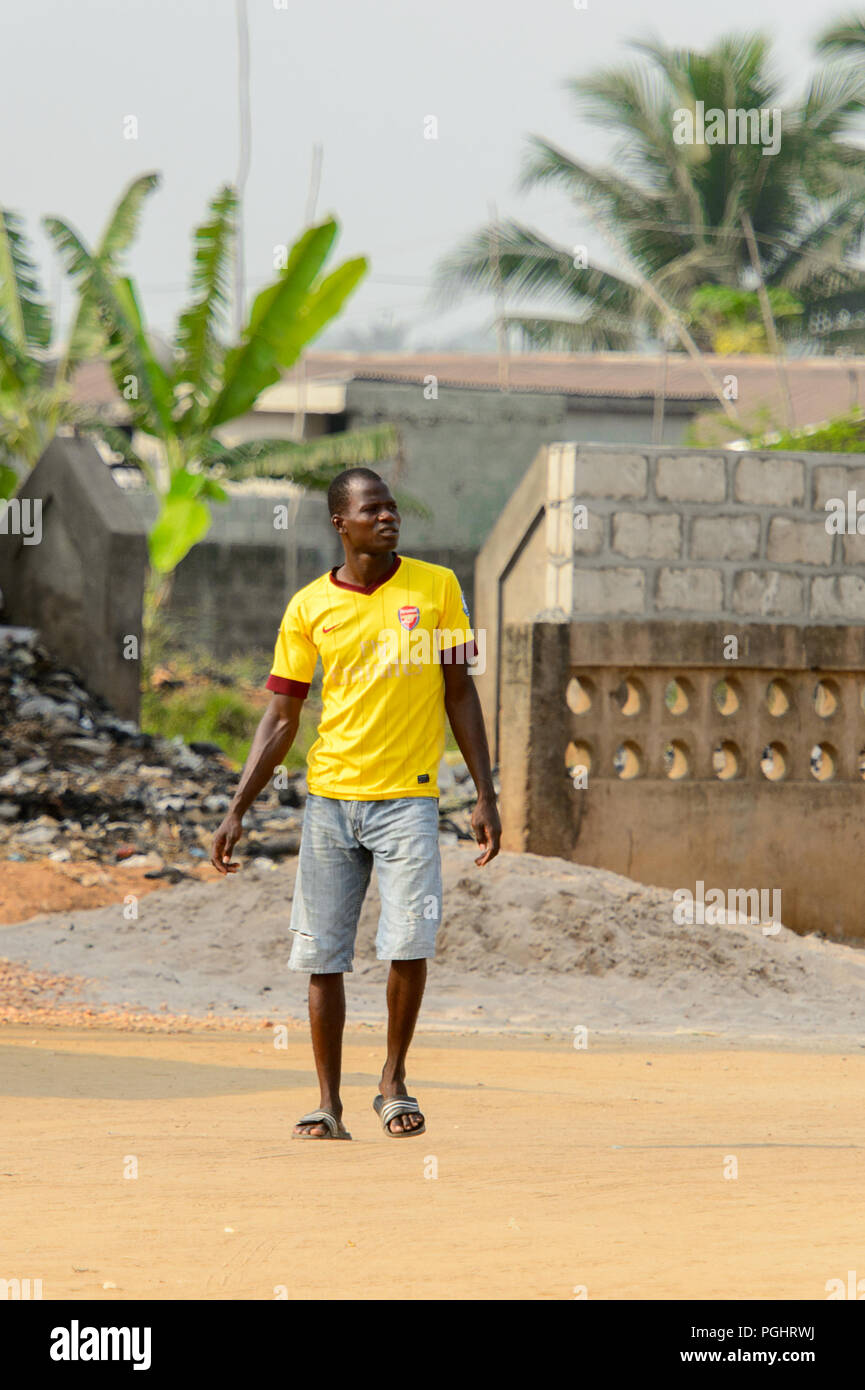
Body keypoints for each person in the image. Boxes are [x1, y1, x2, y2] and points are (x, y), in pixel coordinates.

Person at [211, 467, 501, 1139]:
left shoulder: (436, 588)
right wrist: (237, 808)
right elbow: (282, 717)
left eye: (393, 508)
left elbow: (460, 692)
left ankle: (393, 1081)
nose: (387, 517)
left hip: (408, 800)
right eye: (372, 509)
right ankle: (327, 1102)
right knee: (322, 954)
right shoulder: (309, 606)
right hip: (330, 801)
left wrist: (484, 794)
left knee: (407, 941)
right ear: (340, 523)